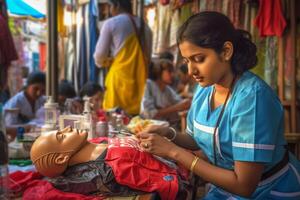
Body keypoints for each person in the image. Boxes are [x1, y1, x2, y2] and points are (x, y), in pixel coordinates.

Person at [138, 12, 300, 199]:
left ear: (226, 51)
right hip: (223, 189)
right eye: (187, 61)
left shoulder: (252, 98)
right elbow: (197, 139)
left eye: (199, 59)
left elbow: (244, 185)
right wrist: (167, 133)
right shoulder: (206, 90)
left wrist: (173, 151)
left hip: (267, 191)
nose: (191, 71)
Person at [29, 127, 187, 199]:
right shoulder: (113, 167)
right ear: (61, 158)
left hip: (174, 156)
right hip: (179, 168)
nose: (68, 128)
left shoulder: (96, 142)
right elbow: (170, 184)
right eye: (61, 136)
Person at [93, 0, 152, 115]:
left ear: (117, 5)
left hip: (119, 82)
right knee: (136, 124)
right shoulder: (145, 26)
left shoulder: (111, 23)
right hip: (140, 81)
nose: (109, 10)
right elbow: (148, 57)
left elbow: (99, 56)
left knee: (115, 122)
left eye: (110, 6)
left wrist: (105, 62)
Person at [140, 59, 191, 124]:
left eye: (173, 72)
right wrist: (176, 107)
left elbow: (180, 102)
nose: (172, 75)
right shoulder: (148, 84)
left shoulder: (168, 90)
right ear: (159, 71)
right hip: (145, 125)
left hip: (162, 126)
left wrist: (186, 103)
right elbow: (148, 114)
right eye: (169, 71)